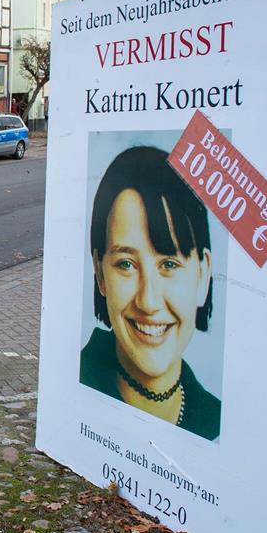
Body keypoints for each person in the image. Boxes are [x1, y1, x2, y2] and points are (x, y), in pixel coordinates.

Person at [80, 146, 220, 441]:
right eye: (126, 264)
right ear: (100, 272)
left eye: (169, 263)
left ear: (203, 274)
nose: (148, 300)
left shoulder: (219, 421)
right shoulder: (77, 382)